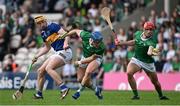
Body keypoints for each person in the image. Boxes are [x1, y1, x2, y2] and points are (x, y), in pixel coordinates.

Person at [115, 21, 169, 100]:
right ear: (144, 29)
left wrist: (153, 52)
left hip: (148, 63)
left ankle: (161, 95)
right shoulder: (137, 34)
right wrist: (121, 43)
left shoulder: (152, 41)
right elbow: (134, 42)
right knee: (129, 73)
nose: (149, 31)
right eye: (147, 29)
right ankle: (136, 95)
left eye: (151, 29)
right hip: (136, 59)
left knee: (155, 82)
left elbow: (149, 52)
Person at [32, 16, 72, 99]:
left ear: (45, 21)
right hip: (57, 52)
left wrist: (65, 43)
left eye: (42, 22)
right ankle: (39, 94)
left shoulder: (53, 26)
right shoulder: (43, 34)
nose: (41, 24)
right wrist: (36, 56)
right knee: (40, 71)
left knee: (49, 68)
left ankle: (64, 88)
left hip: (65, 51)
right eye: (39, 23)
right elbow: (47, 48)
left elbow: (67, 35)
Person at [64, 29, 105, 100]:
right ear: (91, 40)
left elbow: (92, 58)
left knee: (88, 72)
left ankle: (78, 92)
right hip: (85, 56)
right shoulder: (85, 35)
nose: (98, 44)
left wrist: (79, 62)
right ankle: (96, 90)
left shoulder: (101, 47)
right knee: (80, 79)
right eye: (97, 42)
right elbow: (75, 30)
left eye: (99, 42)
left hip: (96, 58)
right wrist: (64, 35)